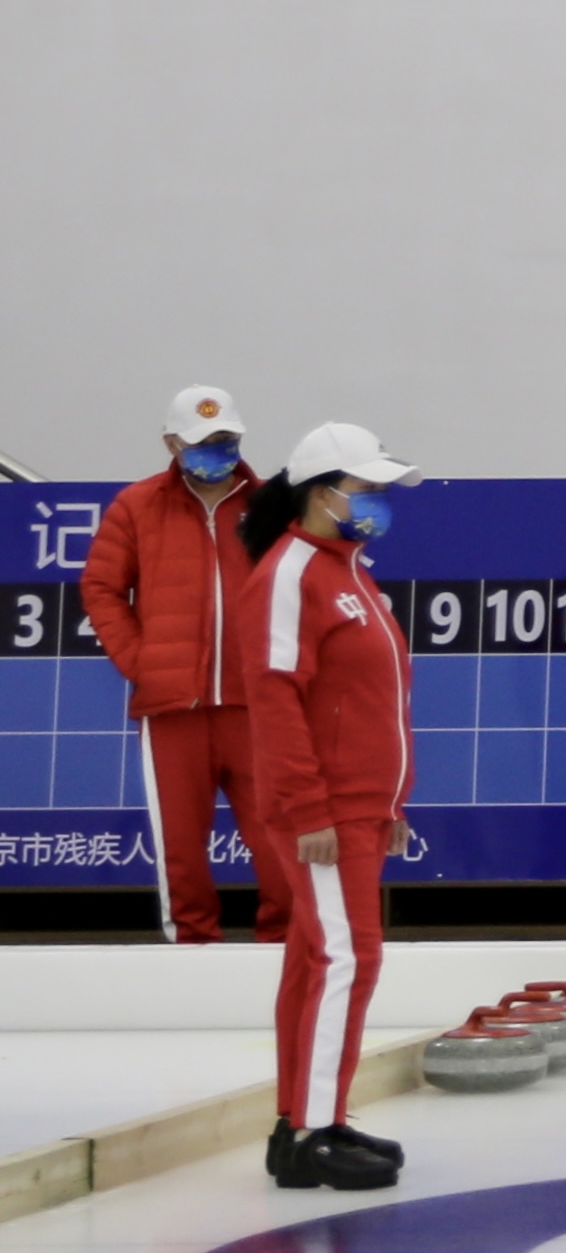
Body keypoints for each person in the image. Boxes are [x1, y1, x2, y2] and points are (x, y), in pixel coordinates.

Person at [237, 423, 422, 1192]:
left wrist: (390, 803)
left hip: (356, 809)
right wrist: (310, 808)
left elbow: (373, 701)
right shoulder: (292, 574)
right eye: (366, 487)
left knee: (317, 961)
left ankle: (307, 1119)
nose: (376, 501)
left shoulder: (348, 571)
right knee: (347, 959)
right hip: (322, 814)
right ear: (324, 492)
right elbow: (275, 700)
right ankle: (314, 1129)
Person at [82, 383, 287, 944]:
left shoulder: (271, 506)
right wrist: (141, 662)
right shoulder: (137, 505)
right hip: (173, 709)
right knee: (182, 853)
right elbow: (101, 588)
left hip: (257, 707)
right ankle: (193, 954)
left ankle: (285, 953)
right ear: (171, 442)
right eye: (201, 441)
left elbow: (300, 591)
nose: (215, 451)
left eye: (226, 439)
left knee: (280, 844)